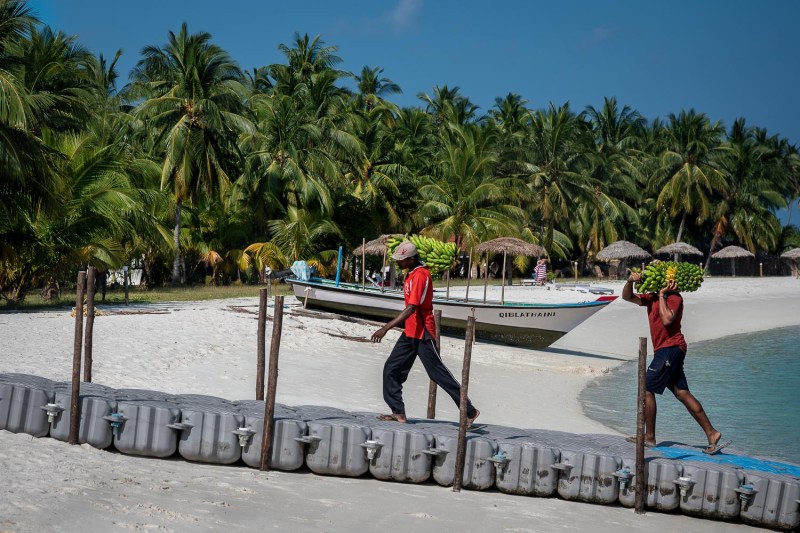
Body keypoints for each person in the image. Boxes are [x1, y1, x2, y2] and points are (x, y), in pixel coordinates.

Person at [371, 241, 480, 426]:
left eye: (401, 260)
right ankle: (398, 412)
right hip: (410, 332)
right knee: (391, 369)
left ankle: (470, 411)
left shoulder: (421, 275)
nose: (398, 263)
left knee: (438, 374)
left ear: (411, 259)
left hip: (423, 333)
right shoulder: (411, 274)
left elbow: (412, 308)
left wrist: (386, 328)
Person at [622, 272, 728, 454]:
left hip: (671, 348)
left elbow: (667, 319)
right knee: (682, 393)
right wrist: (630, 281)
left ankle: (649, 437)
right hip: (667, 351)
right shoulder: (651, 297)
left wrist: (663, 294)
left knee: (647, 388)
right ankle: (712, 433)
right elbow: (628, 297)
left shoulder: (674, 297)